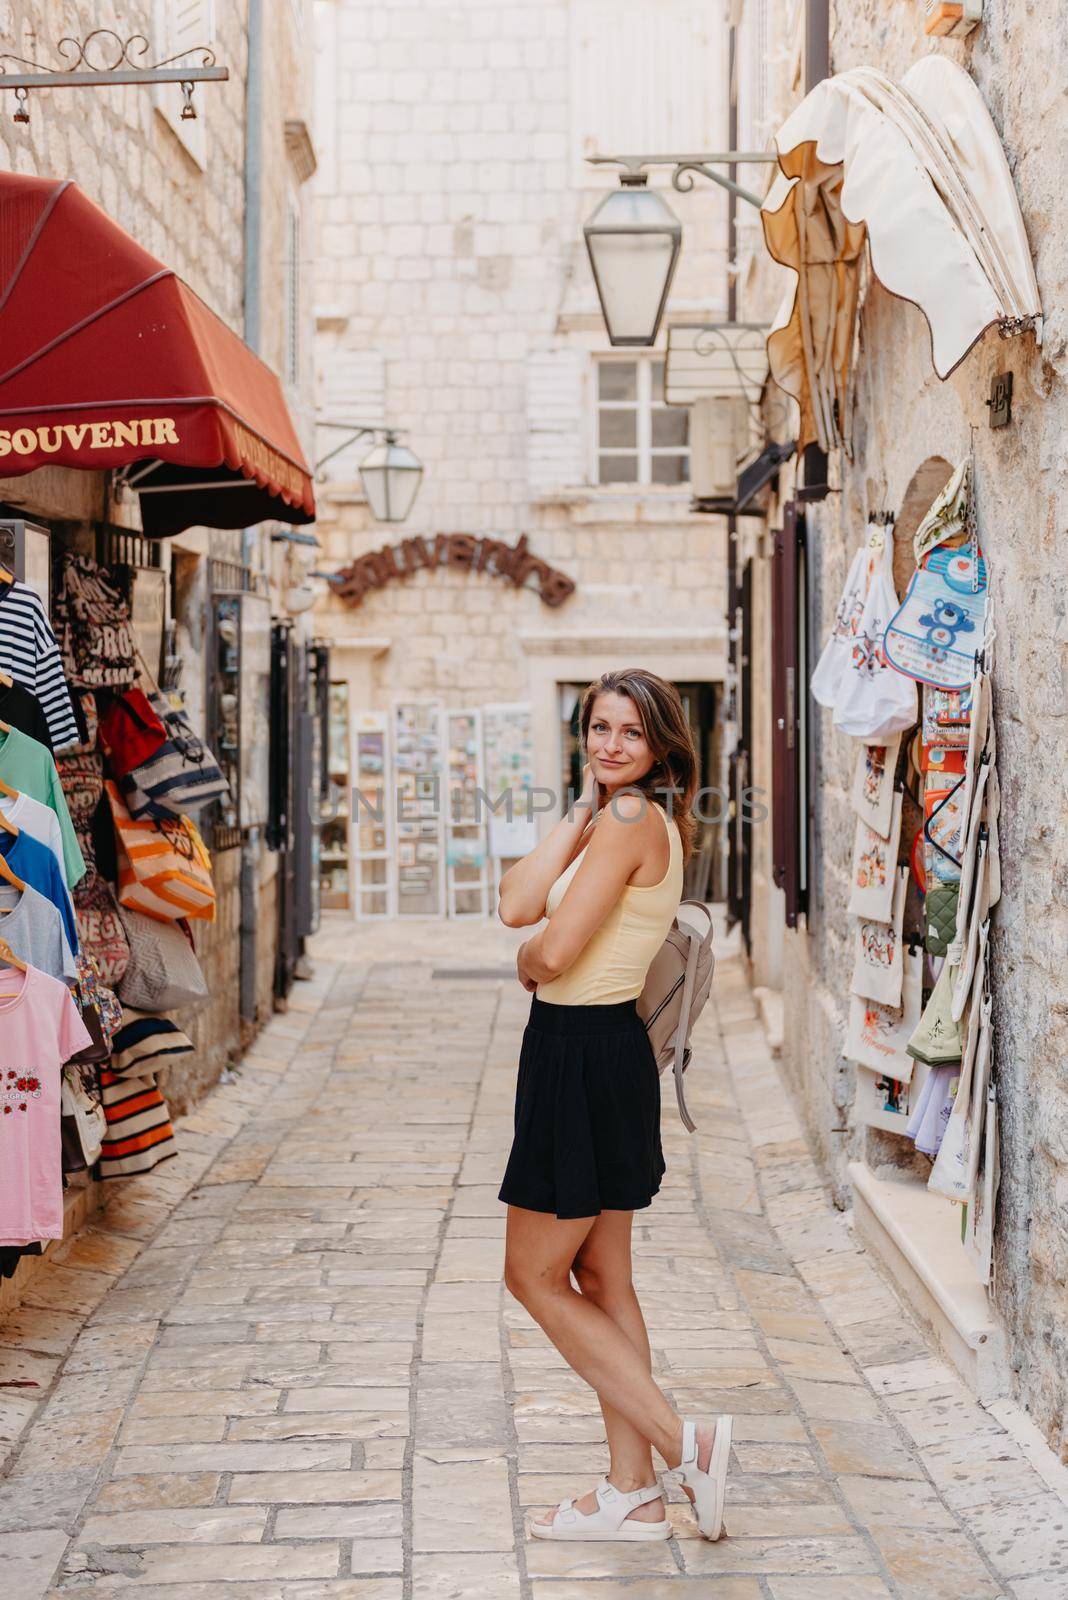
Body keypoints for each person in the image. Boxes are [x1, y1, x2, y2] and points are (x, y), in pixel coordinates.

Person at [496, 668, 731, 1544]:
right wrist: (579, 809)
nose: (611, 744)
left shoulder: (633, 820)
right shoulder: (609, 815)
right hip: (595, 1054)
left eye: (630, 733)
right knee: (602, 1277)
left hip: (581, 1053)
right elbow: (517, 902)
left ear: (662, 742)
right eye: (598, 727)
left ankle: (685, 1444)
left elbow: (548, 951)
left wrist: (526, 964)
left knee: (531, 1275)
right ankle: (633, 1493)